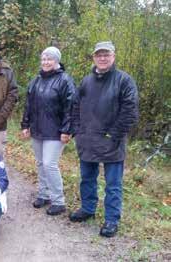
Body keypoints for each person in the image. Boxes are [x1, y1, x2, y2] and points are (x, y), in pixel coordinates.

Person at [70, 41, 139, 237]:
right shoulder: (86, 81)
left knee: (113, 185)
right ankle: (88, 209)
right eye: (99, 55)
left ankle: (111, 220)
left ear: (113, 56)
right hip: (87, 140)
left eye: (106, 54)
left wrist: (113, 135)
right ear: (94, 57)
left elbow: (130, 112)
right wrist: (78, 130)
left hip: (112, 143)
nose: (102, 58)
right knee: (87, 179)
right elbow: (75, 106)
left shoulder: (124, 80)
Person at [21, 47, 75, 216]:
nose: (46, 62)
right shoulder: (36, 80)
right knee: (40, 163)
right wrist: (25, 125)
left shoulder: (65, 80)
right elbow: (28, 105)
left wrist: (67, 130)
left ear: (57, 61)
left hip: (56, 131)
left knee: (49, 164)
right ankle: (43, 194)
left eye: (49, 59)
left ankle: (58, 201)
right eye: (43, 59)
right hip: (37, 129)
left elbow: (71, 107)